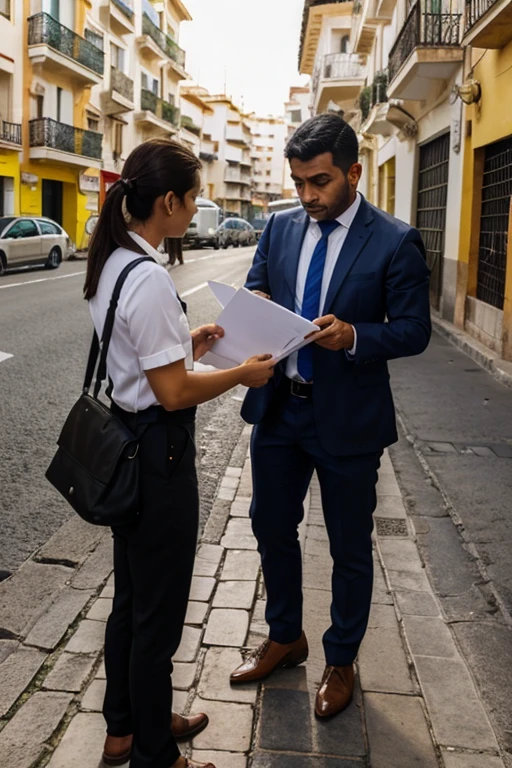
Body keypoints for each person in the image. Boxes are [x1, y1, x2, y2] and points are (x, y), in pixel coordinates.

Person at [230, 114, 431, 720]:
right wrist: (256, 304)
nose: (307, 195)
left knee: (348, 547)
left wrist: (354, 337)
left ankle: (340, 660)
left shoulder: (395, 240)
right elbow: (258, 286)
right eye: (298, 182)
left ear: (353, 172)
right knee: (269, 526)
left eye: (318, 182)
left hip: (348, 421)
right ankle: (286, 637)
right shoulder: (281, 226)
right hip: (279, 413)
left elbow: (414, 331)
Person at [83, 137, 274, 768]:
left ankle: (124, 729)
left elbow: (137, 358)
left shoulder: (111, 263)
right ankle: (156, 754)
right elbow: (171, 391)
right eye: (191, 200)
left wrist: (186, 339)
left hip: (126, 444)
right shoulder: (149, 279)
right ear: (167, 201)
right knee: (158, 615)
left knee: (133, 600)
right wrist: (241, 374)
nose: (195, 211)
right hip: (159, 455)